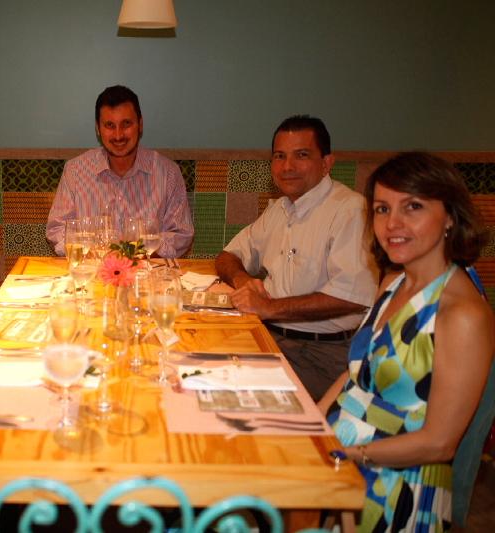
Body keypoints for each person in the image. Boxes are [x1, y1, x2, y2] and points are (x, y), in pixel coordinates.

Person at [318, 152, 494, 531]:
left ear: (450, 216)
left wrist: (346, 454)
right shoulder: (393, 282)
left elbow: (439, 442)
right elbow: (357, 374)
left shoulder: (463, 314)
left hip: (397, 489)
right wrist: (312, 424)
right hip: (343, 472)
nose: (392, 223)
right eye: (382, 209)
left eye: (413, 206)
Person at [214, 115, 378, 400]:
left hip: (322, 355)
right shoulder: (280, 209)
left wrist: (269, 308)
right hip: (271, 337)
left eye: (301, 155)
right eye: (280, 156)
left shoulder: (350, 210)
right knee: (195, 364)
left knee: (229, 394)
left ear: (326, 163)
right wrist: (242, 280)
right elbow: (228, 255)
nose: (287, 167)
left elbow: (351, 297)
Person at [46, 85, 194, 257]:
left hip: (147, 271)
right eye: (109, 125)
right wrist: (94, 251)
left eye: (126, 124)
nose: (118, 135)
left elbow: (181, 235)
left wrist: (135, 254)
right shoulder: (75, 171)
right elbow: (57, 230)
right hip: (92, 270)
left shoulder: (168, 173)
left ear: (140, 125)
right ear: (98, 129)